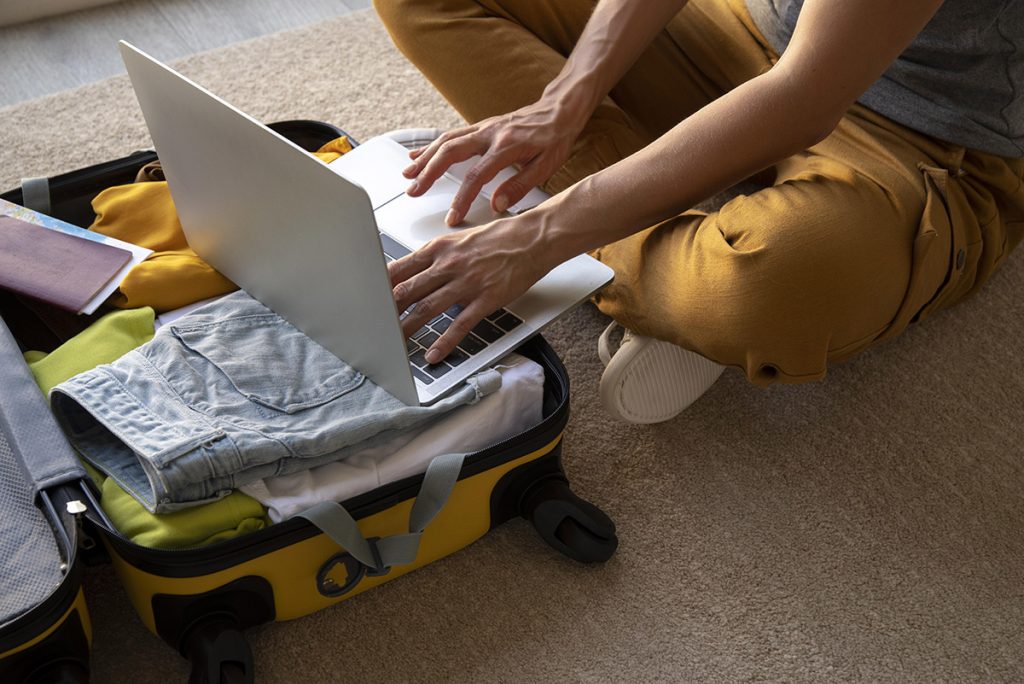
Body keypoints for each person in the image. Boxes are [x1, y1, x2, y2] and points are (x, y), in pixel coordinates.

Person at [374, 0, 1024, 423]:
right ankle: (671, 267)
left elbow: (804, 97)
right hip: (760, 36)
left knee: (768, 285)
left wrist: (541, 235)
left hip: (926, 140)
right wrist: (566, 97)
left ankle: (664, 263)